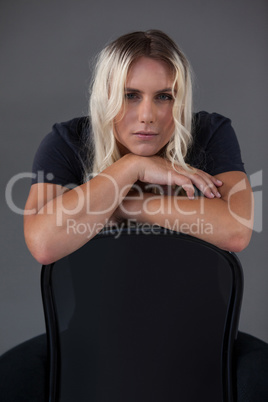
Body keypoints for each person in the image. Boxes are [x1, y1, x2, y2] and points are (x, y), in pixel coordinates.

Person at [19, 30, 266, 400]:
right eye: (130, 95)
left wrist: (125, 203)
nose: (147, 116)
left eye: (164, 97)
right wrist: (131, 168)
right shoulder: (67, 141)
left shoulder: (209, 133)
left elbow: (236, 230)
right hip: (91, 339)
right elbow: (43, 243)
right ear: (105, 95)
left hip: (206, 337)